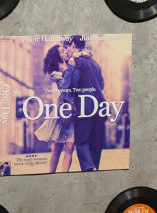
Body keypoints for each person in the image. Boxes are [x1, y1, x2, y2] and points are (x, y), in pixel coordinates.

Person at [63, 35, 106, 172]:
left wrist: (68, 71)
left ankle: (89, 168)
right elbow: (102, 85)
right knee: (96, 143)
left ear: (73, 45)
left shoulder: (76, 62)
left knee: (81, 141)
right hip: (100, 106)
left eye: (67, 47)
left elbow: (72, 85)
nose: (66, 50)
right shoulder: (95, 63)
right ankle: (94, 169)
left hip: (84, 107)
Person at [33, 44, 75, 174]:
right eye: (62, 51)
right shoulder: (55, 74)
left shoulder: (71, 64)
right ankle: (51, 173)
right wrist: (69, 69)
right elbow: (64, 87)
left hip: (73, 111)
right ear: (58, 55)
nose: (65, 51)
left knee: (70, 147)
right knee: (57, 148)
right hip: (62, 112)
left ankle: (64, 174)